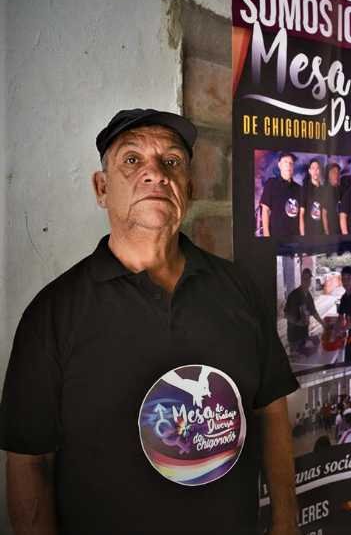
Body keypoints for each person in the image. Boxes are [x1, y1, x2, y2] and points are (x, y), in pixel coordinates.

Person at [0, 109, 300, 535]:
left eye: (171, 161)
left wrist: (286, 522)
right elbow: (30, 460)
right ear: (102, 188)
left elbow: (270, 409)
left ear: (189, 188)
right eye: (132, 160)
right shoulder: (53, 314)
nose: (156, 173)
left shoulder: (238, 289)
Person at [260, 151, 302, 238]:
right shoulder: (271, 183)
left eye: (291, 163)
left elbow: (301, 215)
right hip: (276, 237)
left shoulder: (299, 188)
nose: (288, 165)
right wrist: (266, 236)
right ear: (279, 165)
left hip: (295, 238)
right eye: (285, 162)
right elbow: (265, 210)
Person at [284, 268, 324, 356]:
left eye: (309, 279)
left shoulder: (308, 295)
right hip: (294, 336)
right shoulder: (294, 295)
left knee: (305, 357)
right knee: (296, 359)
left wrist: (323, 324)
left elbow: (314, 312)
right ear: (301, 279)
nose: (307, 281)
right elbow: (286, 315)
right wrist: (298, 322)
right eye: (305, 279)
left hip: (304, 334)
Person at [299, 158, 325, 237]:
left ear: (320, 171)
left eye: (317, 168)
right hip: (309, 232)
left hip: (322, 232)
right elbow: (301, 214)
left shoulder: (324, 190)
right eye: (313, 168)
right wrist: (303, 236)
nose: (315, 171)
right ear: (309, 171)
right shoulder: (305, 189)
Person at [322, 162, 341, 236]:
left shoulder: (339, 190)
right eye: (333, 172)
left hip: (339, 231)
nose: (336, 174)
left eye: (338, 172)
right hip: (330, 232)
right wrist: (327, 232)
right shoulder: (326, 190)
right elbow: (324, 213)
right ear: (328, 175)